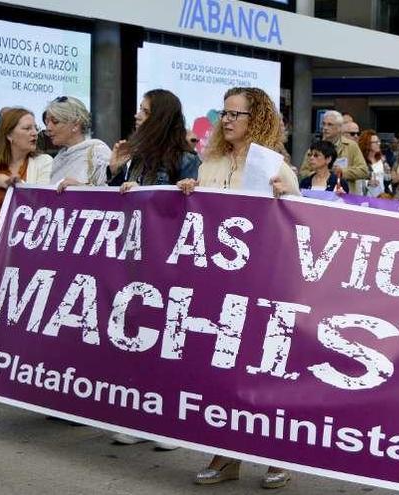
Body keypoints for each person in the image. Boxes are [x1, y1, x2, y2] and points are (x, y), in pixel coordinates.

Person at [176, 86, 297, 489]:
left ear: (256, 119)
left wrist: (287, 196)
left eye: (235, 114)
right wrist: (187, 195)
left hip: (264, 288)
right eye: (223, 113)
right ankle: (225, 456)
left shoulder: (275, 165)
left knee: (261, 375)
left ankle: (275, 456)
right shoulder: (207, 164)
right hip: (217, 287)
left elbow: (300, 222)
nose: (226, 120)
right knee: (221, 374)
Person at [0, 107, 52, 253]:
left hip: (26, 252)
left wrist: (8, 183)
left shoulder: (44, 162)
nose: (34, 133)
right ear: (9, 135)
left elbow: (43, 204)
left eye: (35, 128)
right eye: (27, 128)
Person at [113, 89, 200, 192]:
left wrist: (141, 191)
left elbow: (190, 204)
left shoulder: (187, 159)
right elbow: (120, 202)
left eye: (145, 112)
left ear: (161, 120)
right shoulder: (139, 154)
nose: (137, 116)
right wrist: (115, 170)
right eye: (140, 109)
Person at [43, 96, 109, 188]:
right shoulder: (58, 159)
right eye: (46, 123)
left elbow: (110, 194)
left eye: (55, 122)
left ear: (76, 125)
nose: (48, 128)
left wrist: (81, 188)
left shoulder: (97, 153)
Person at [299, 111, 368, 194]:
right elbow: (303, 172)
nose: (325, 128)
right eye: (323, 124)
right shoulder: (315, 148)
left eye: (329, 124)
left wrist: (342, 172)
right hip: (318, 194)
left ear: (339, 128)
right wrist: (320, 173)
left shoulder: (351, 146)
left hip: (344, 195)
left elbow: (364, 171)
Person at [358, 129, 386, 197]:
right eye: (376, 142)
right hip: (366, 196)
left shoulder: (381, 160)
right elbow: (357, 181)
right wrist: (368, 183)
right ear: (367, 144)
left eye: (378, 142)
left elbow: (385, 179)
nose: (379, 144)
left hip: (381, 196)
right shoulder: (361, 160)